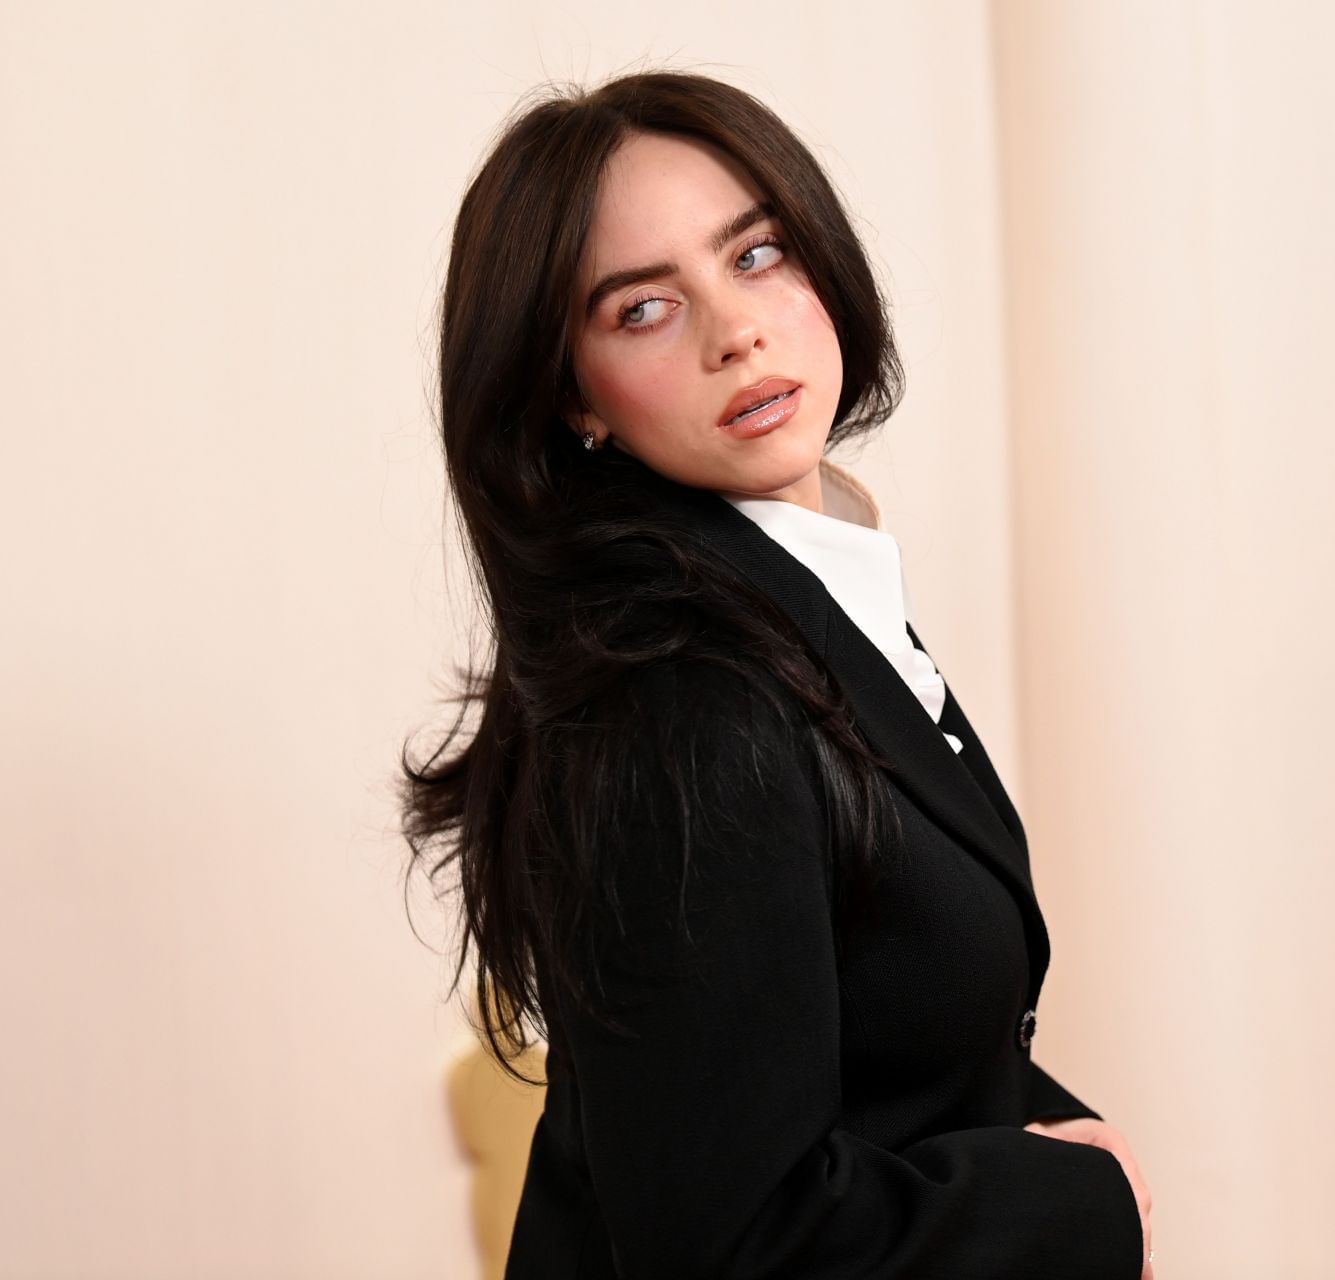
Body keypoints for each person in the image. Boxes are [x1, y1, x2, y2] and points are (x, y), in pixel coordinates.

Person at [399, 69, 1156, 1279]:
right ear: (571, 398)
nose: (735, 329)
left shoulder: (790, 600)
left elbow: (887, 1027)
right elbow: (734, 1241)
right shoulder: (682, 698)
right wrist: (1079, 1197)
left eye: (754, 256)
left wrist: (1055, 1139)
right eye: (642, 309)